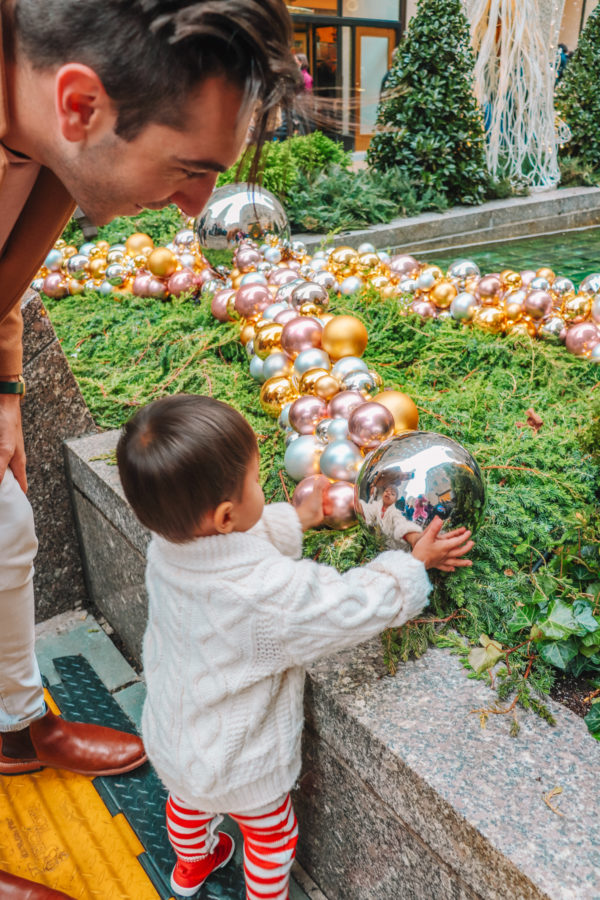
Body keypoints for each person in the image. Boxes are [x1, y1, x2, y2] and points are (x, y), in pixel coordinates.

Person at [0, 1, 299, 896]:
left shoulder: (49, 123)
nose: (198, 204)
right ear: (82, 105)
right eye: (192, 168)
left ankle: (13, 725)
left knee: (9, 526)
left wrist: (6, 387)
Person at [116, 394, 474, 898]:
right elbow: (346, 604)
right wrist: (412, 566)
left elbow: (231, 540)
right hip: (242, 761)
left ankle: (190, 868)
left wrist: (295, 519)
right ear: (224, 514)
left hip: (175, 741)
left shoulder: (168, 547)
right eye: (256, 483)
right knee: (270, 837)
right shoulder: (267, 593)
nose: (261, 488)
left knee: (187, 805)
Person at [359, 484, 423, 549]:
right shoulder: (376, 505)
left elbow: (400, 523)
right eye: (386, 491)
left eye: (392, 494)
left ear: (395, 500)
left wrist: (413, 537)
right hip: (375, 544)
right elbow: (366, 510)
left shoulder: (395, 512)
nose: (388, 493)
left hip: (392, 549)